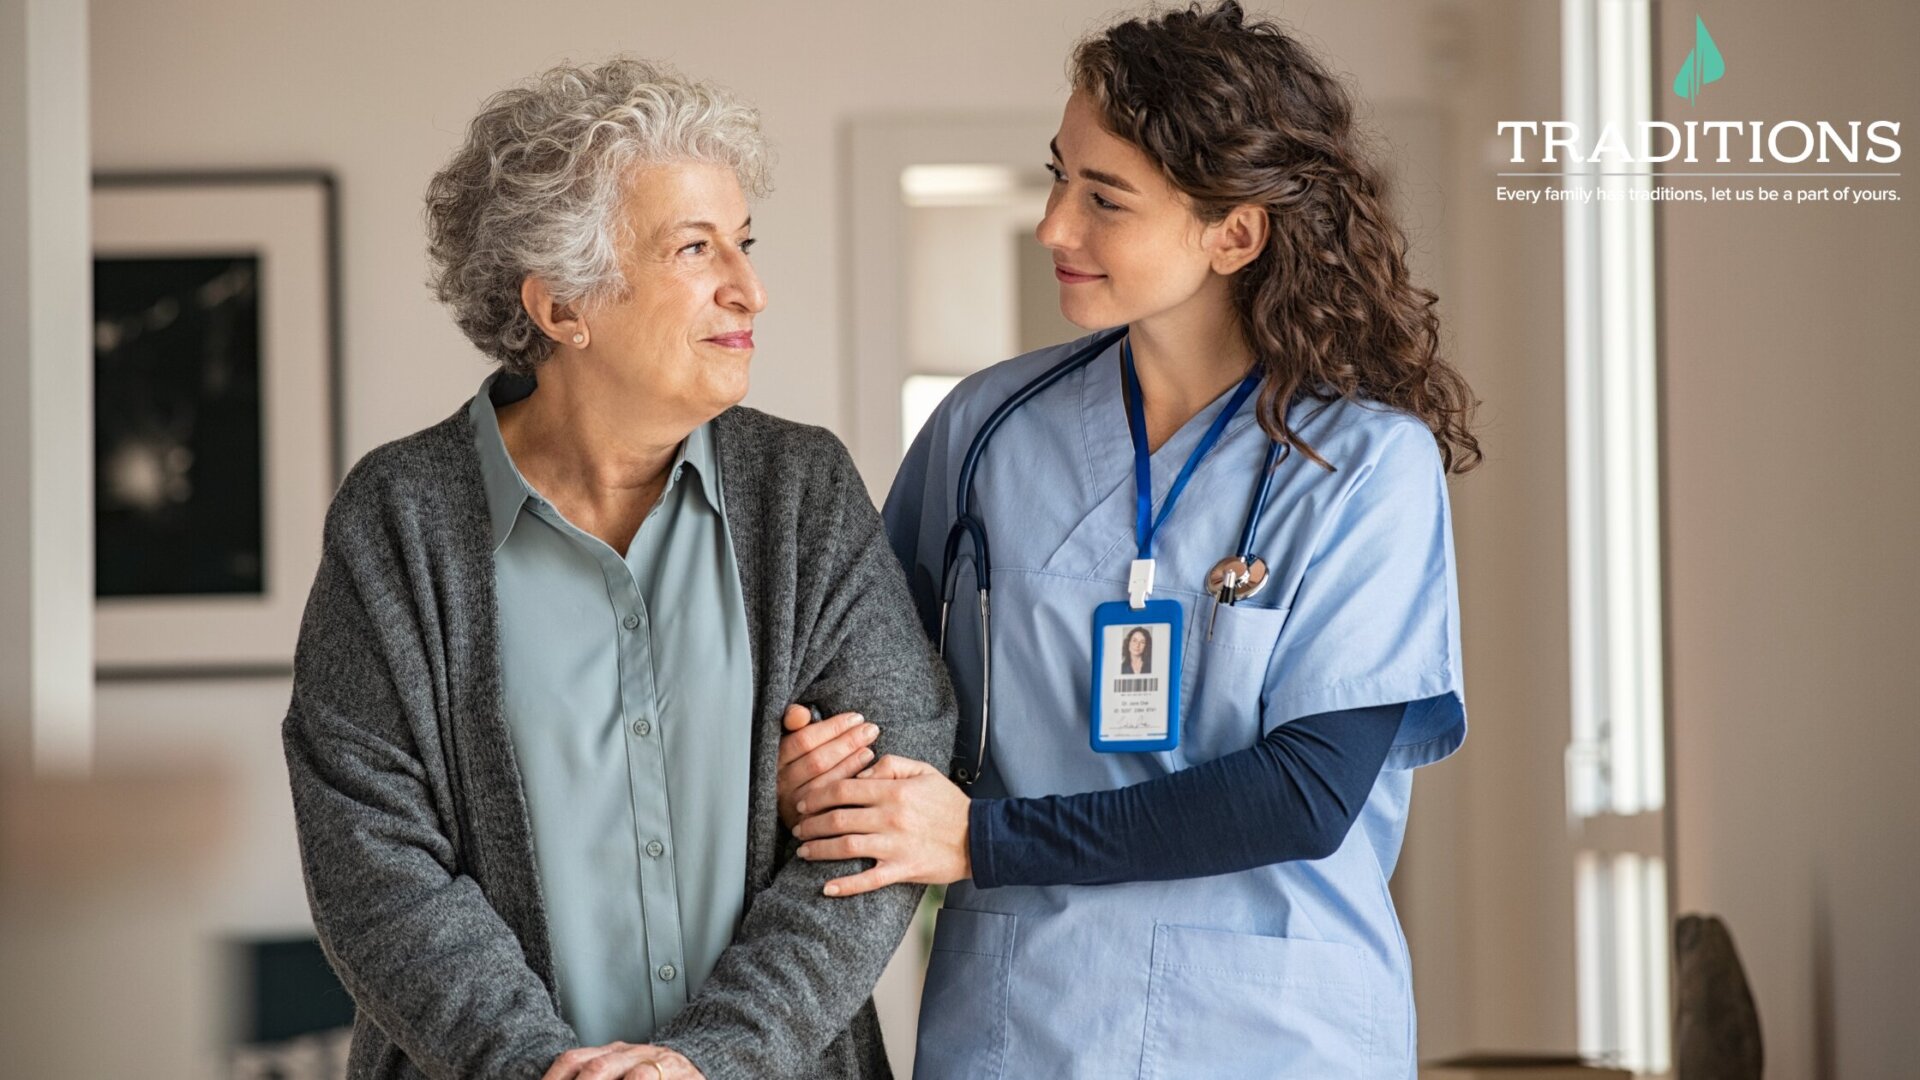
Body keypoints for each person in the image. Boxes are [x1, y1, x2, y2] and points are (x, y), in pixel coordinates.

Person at [775, 4, 1479, 1076]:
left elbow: (1307, 792)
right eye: (1059, 177)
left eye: (1105, 199)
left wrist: (982, 840)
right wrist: (814, 760)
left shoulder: (1365, 467)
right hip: (1022, 1027)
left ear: (1233, 234)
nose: (1055, 225)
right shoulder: (984, 433)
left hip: (1273, 1037)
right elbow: (867, 690)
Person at [282, 58, 954, 1080]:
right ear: (561, 306)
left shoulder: (803, 491)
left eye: (745, 240)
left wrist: (713, 1060)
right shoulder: (399, 520)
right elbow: (372, 865)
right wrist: (535, 1065)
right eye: (695, 247)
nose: (750, 287)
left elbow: (884, 813)